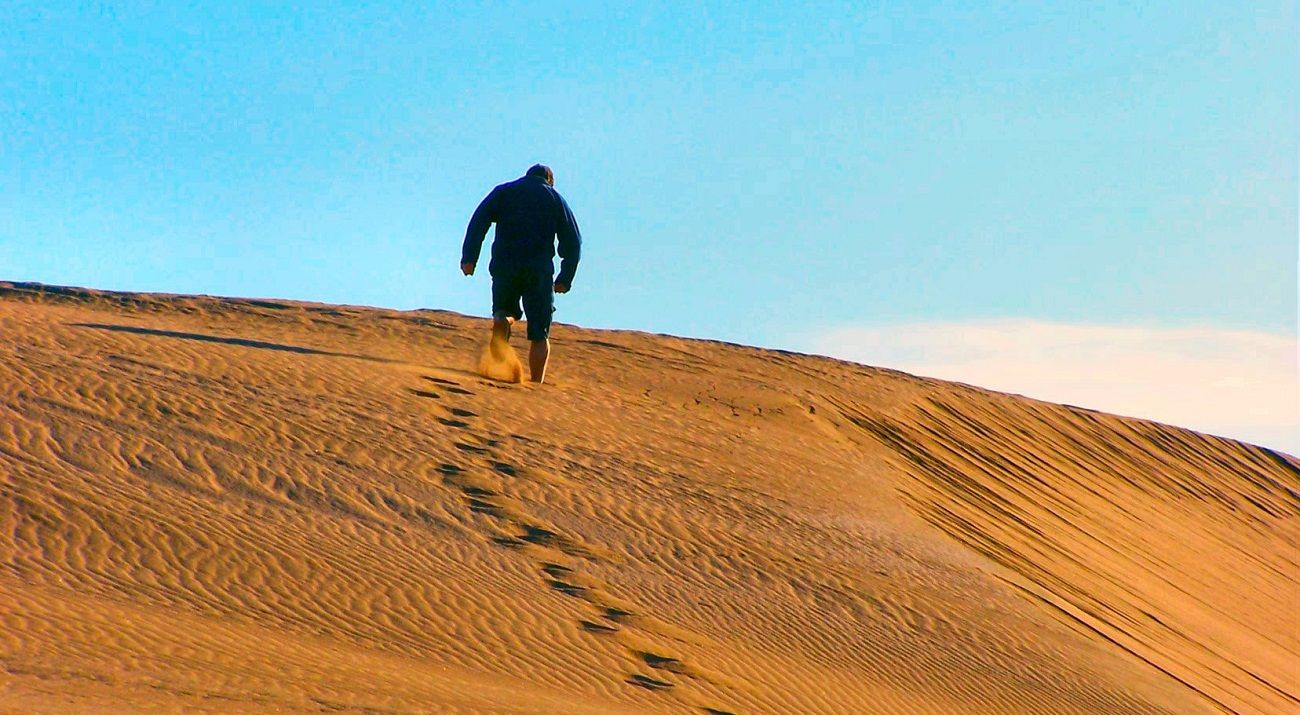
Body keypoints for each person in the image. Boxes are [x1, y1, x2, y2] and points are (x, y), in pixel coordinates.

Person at [461, 164, 582, 384]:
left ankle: (503, 319)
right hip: (538, 270)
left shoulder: (504, 191)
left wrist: (469, 257)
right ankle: (536, 384)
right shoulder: (555, 199)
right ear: (550, 181)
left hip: (504, 265)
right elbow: (573, 241)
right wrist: (565, 278)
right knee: (539, 332)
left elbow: (478, 221)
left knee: (505, 309)